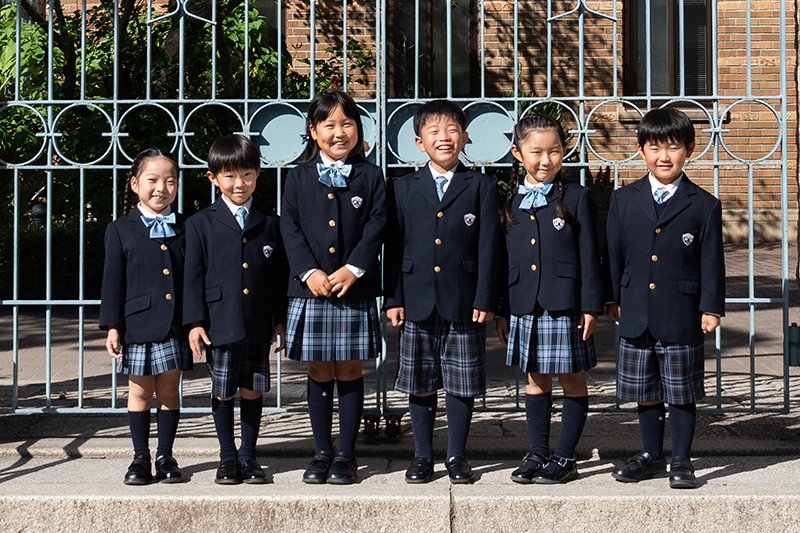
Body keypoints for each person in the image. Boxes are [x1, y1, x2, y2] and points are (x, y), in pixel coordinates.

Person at [604, 107, 725, 489]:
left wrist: (711, 306)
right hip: (636, 309)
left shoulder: (703, 204)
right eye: (655, 147)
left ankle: (681, 460)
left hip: (681, 311)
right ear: (642, 151)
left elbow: (712, 261)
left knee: (682, 391)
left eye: (673, 147)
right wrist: (612, 298)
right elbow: (613, 254)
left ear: (689, 149)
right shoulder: (624, 199)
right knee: (646, 392)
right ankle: (651, 455)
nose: (664, 156)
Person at [384, 99, 504, 484]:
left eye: (452, 130)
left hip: (464, 300)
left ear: (465, 137)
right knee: (420, 381)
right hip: (416, 298)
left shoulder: (482, 186)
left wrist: (487, 298)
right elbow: (394, 246)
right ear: (420, 142)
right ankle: (421, 455)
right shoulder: (402, 188)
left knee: (460, 381)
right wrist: (394, 297)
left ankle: (456, 455)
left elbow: (490, 247)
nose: (444, 138)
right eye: (434, 132)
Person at [281, 89, 386, 485]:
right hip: (312, 288)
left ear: (358, 130)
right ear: (313, 131)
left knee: (349, 368)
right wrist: (310, 272)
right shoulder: (297, 176)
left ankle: (346, 454)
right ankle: (321, 452)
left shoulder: (372, 175)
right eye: (329, 125)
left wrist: (354, 268)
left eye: (347, 124)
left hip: (352, 288)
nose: (339, 132)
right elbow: (288, 228)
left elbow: (377, 225)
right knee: (320, 369)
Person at [495, 114, 603, 484]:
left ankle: (565, 455)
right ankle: (538, 451)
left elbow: (591, 256)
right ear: (517, 152)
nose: (545, 160)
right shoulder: (508, 201)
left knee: (572, 378)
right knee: (535, 380)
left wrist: (591, 305)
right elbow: (501, 260)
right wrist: (501, 310)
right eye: (536, 152)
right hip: (523, 303)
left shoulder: (577, 197)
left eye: (554, 151)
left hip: (565, 304)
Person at [183, 134, 288, 485]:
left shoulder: (270, 222)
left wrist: (280, 319)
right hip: (219, 321)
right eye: (229, 176)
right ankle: (227, 457)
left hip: (258, 321)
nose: (238, 183)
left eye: (246, 174)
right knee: (223, 388)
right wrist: (195, 322)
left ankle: (248, 455)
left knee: (253, 388)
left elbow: (278, 277)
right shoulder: (200, 223)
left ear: (257, 174)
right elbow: (192, 277)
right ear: (213, 178)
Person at [100, 148, 192, 485]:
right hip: (137, 324)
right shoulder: (120, 229)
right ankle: (140, 457)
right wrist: (113, 326)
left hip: (175, 324)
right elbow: (113, 281)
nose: (161, 188)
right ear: (135, 183)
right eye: (152, 180)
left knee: (169, 390)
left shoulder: (186, 226)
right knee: (139, 391)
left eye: (170, 181)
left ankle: (165, 456)